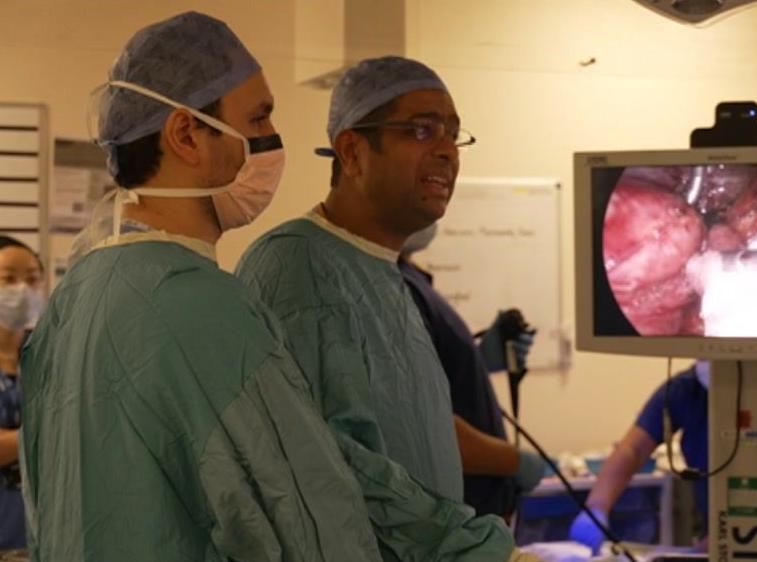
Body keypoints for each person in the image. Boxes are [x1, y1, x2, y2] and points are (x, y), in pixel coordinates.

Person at [20, 14, 514, 562]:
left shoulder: (78, 291)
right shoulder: (200, 304)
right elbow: (304, 517)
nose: (270, 141)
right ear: (186, 134)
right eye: (257, 118)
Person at [235, 56, 530, 561]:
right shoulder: (296, 266)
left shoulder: (384, 275)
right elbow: (331, 464)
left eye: (453, 135)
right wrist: (472, 549)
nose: (446, 152)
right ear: (351, 151)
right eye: (421, 130)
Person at [568, 360, 757, 558]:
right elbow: (633, 450)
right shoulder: (687, 389)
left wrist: (708, 548)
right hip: (724, 535)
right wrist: (596, 508)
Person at [398, 224, 546, 518]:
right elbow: (424, 426)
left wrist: (478, 363)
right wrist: (513, 461)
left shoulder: (413, 281)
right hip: (453, 520)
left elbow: (432, 384)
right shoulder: (395, 288)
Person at [0, 236, 45, 551]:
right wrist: (47, 435)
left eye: (32, 278)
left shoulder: (45, 353)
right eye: (8, 279)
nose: (22, 289)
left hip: (37, 535)